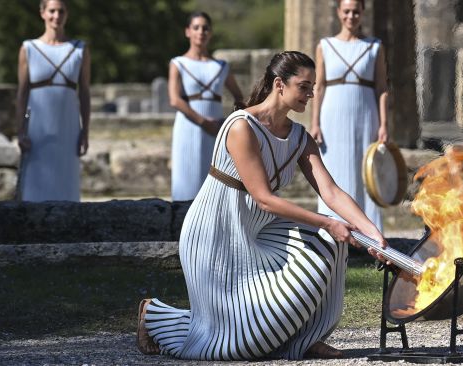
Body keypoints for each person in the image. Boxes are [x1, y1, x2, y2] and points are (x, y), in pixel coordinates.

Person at [137, 51, 387, 360]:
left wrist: (372, 232)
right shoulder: (242, 126)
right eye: (304, 87)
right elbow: (263, 199)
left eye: (313, 88)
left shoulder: (298, 136)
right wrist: (327, 222)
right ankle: (155, 315)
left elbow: (331, 191)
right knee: (237, 345)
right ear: (280, 84)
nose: (310, 95)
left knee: (330, 244)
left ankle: (307, 339)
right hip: (216, 235)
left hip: (257, 232)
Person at [310, 0, 388, 230]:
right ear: (339, 13)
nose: (351, 16)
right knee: (333, 170)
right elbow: (319, 86)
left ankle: (369, 234)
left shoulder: (374, 47)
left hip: (366, 114)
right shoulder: (325, 45)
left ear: (362, 13)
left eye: (356, 11)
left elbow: (382, 88)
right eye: (346, 11)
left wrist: (384, 124)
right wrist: (315, 123)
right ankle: (332, 231)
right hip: (332, 115)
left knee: (366, 174)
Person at [15, 0, 90, 202]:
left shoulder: (79, 49)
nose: (56, 16)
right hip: (37, 128)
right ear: (42, 13)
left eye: (61, 11)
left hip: (68, 127)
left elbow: (84, 93)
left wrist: (85, 131)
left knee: (67, 184)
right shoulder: (29, 48)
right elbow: (23, 94)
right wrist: (21, 130)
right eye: (52, 11)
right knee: (35, 186)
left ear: (67, 14)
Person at [168, 12, 244, 201]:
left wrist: (229, 124)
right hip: (189, 127)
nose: (201, 32)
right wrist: (203, 122)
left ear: (210, 33)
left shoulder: (221, 66)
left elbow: (239, 98)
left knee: (213, 182)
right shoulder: (178, 63)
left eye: (205, 28)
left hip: (216, 130)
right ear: (188, 32)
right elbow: (175, 100)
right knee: (186, 181)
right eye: (196, 27)